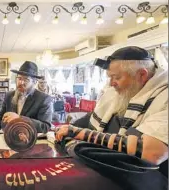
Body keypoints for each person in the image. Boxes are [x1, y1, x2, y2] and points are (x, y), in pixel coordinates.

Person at [55, 46, 168, 175]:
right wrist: (67, 128)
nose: (111, 84)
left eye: (116, 77)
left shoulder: (165, 96)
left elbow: (152, 152)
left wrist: (79, 133)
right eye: (110, 77)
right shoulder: (118, 93)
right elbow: (92, 119)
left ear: (142, 75)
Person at [0, 61, 53, 136]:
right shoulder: (9, 95)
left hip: (31, 141)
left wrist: (20, 118)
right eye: (19, 78)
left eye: (26, 79)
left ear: (34, 82)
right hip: (10, 137)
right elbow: (1, 115)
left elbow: (45, 126)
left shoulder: (44, 99)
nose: (21, 82)